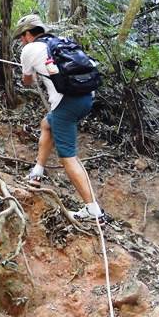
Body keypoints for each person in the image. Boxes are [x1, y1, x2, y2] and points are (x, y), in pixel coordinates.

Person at [15, 14, 105, 224]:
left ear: (29, 34)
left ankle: (93, 210)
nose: (21, 40)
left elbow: (27, 81)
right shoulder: (60, 42)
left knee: (68, 157)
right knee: (47, 124)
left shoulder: (29, 49)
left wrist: (30, 72)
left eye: (22, 36)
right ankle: (37, 172)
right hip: (86, 97)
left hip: (67, 104)